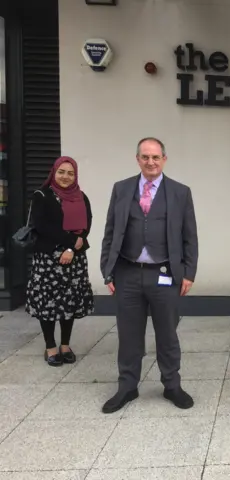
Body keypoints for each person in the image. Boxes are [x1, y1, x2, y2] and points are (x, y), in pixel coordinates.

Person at [100, 137, 198, 413]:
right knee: (128, 334)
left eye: (156, 157)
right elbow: (110, 232)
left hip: (164, 273)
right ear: (138, 159)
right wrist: (107, 270)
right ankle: (127, 387)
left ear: (164, 159)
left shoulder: (180, 192)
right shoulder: (121, 189)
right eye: (145, 157)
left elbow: (190, 236)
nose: (151, 162)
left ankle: (172, 385)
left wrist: (188, 272)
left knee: (167, 333)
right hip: (127, 272)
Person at [25, 156, 94, 366]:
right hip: (48, 259)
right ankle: (50, 346)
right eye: (61, 172)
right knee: (48, 303)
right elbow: (43, 226)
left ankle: (65, 345)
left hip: (75, 258)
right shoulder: (42, 196)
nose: (66, 177)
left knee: (69, 302)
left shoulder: (82, 196)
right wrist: (71, 242)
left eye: (70, 173)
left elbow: (87, 225)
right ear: (54, 173)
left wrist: (72, 248)